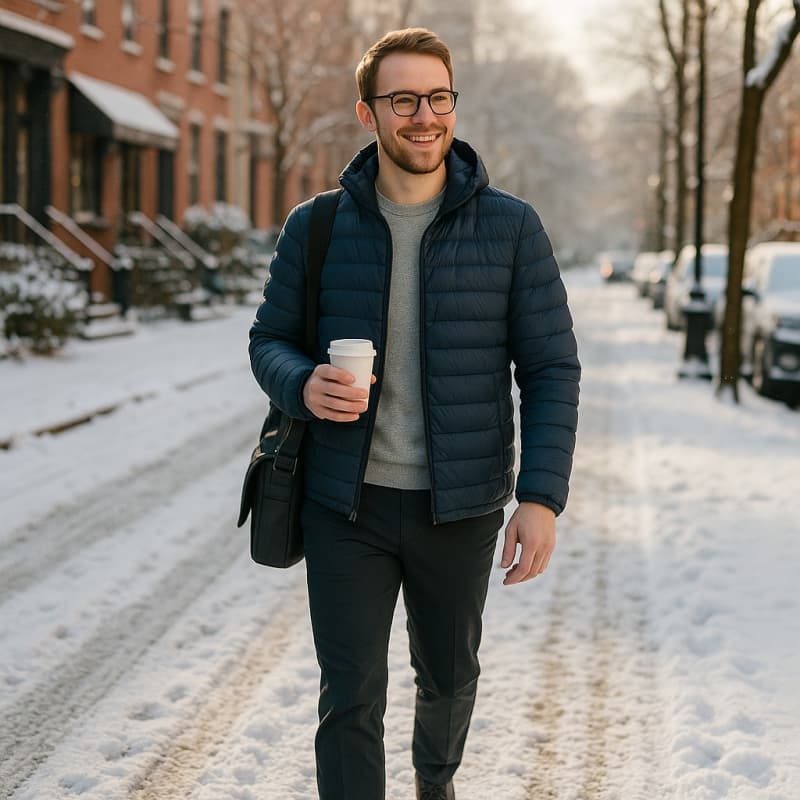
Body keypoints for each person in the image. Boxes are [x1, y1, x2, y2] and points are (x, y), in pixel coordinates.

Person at [249, 27, 580, 800]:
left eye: (438, 98)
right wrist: (301, 384)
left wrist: (540, 497)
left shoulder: (511, 228)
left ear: (453, 106)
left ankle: (438, 786)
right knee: (351, 696)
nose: (423, 116)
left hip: (458, 508)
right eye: (403, 99)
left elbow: (551, 367)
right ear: (369, 114)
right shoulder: (317, 226)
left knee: (449, 679)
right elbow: (269, 339)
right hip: (344, 503)